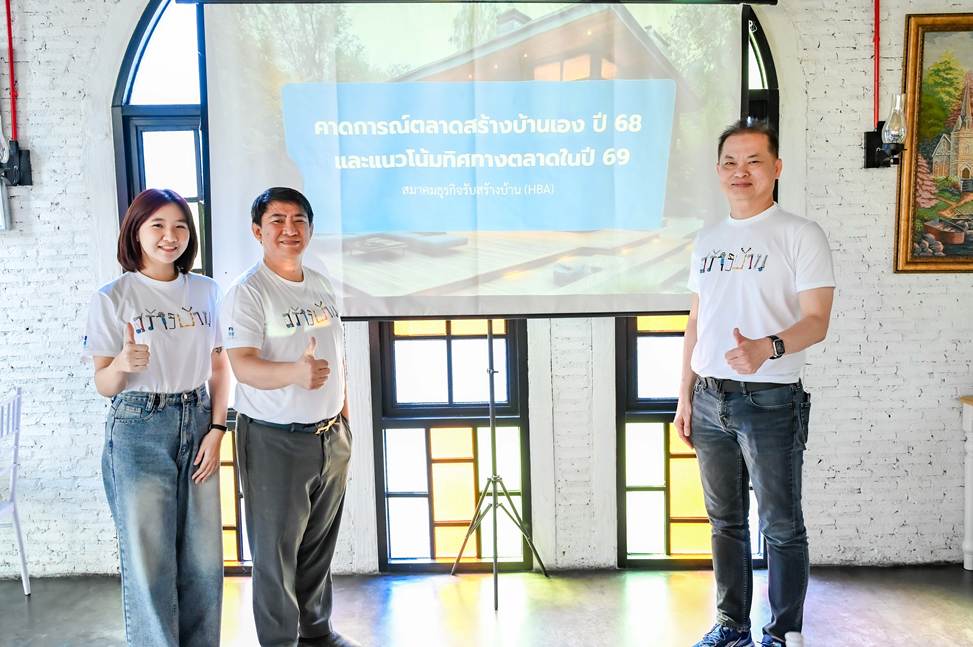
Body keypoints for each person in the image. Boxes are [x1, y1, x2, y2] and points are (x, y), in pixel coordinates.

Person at [677, 120, 836, 647]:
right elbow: (695, 322)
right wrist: (684, 396)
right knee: (725, 523)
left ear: (776, 168)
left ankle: (784, 632)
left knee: (781, 526)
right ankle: (732, 626)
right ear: (718, 170)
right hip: (708, 400)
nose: (739, 172)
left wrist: (767, 347)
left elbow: (817, 320)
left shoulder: (800, 234)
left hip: (770, 400)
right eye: (730, 162)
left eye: (753, 162)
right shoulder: (708, 239)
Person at [84, 188, 229, 647]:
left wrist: (218, 428)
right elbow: (104, 384)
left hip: (198, 419)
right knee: (150, 562)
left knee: (204, 560)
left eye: (180, 226)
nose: (171, 236)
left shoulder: (206, 291)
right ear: (136, 232)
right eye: (158, 226)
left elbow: (219, 366)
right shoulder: (113, 297)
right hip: (138, 428)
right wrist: (121, 363)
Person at [221, 187, 358, 647]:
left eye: (299, 220)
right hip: (274, 440)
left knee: (318, 545)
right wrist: (295, 374)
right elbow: (243, 366)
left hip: (330, 436)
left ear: (310, 229)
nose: (289, 229)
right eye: (277, 220)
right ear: (257, 231)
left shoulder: (319, 282)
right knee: (275, 555)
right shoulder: (248, 292)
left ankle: (317, 633)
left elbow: (338, 353)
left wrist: (344, 420)